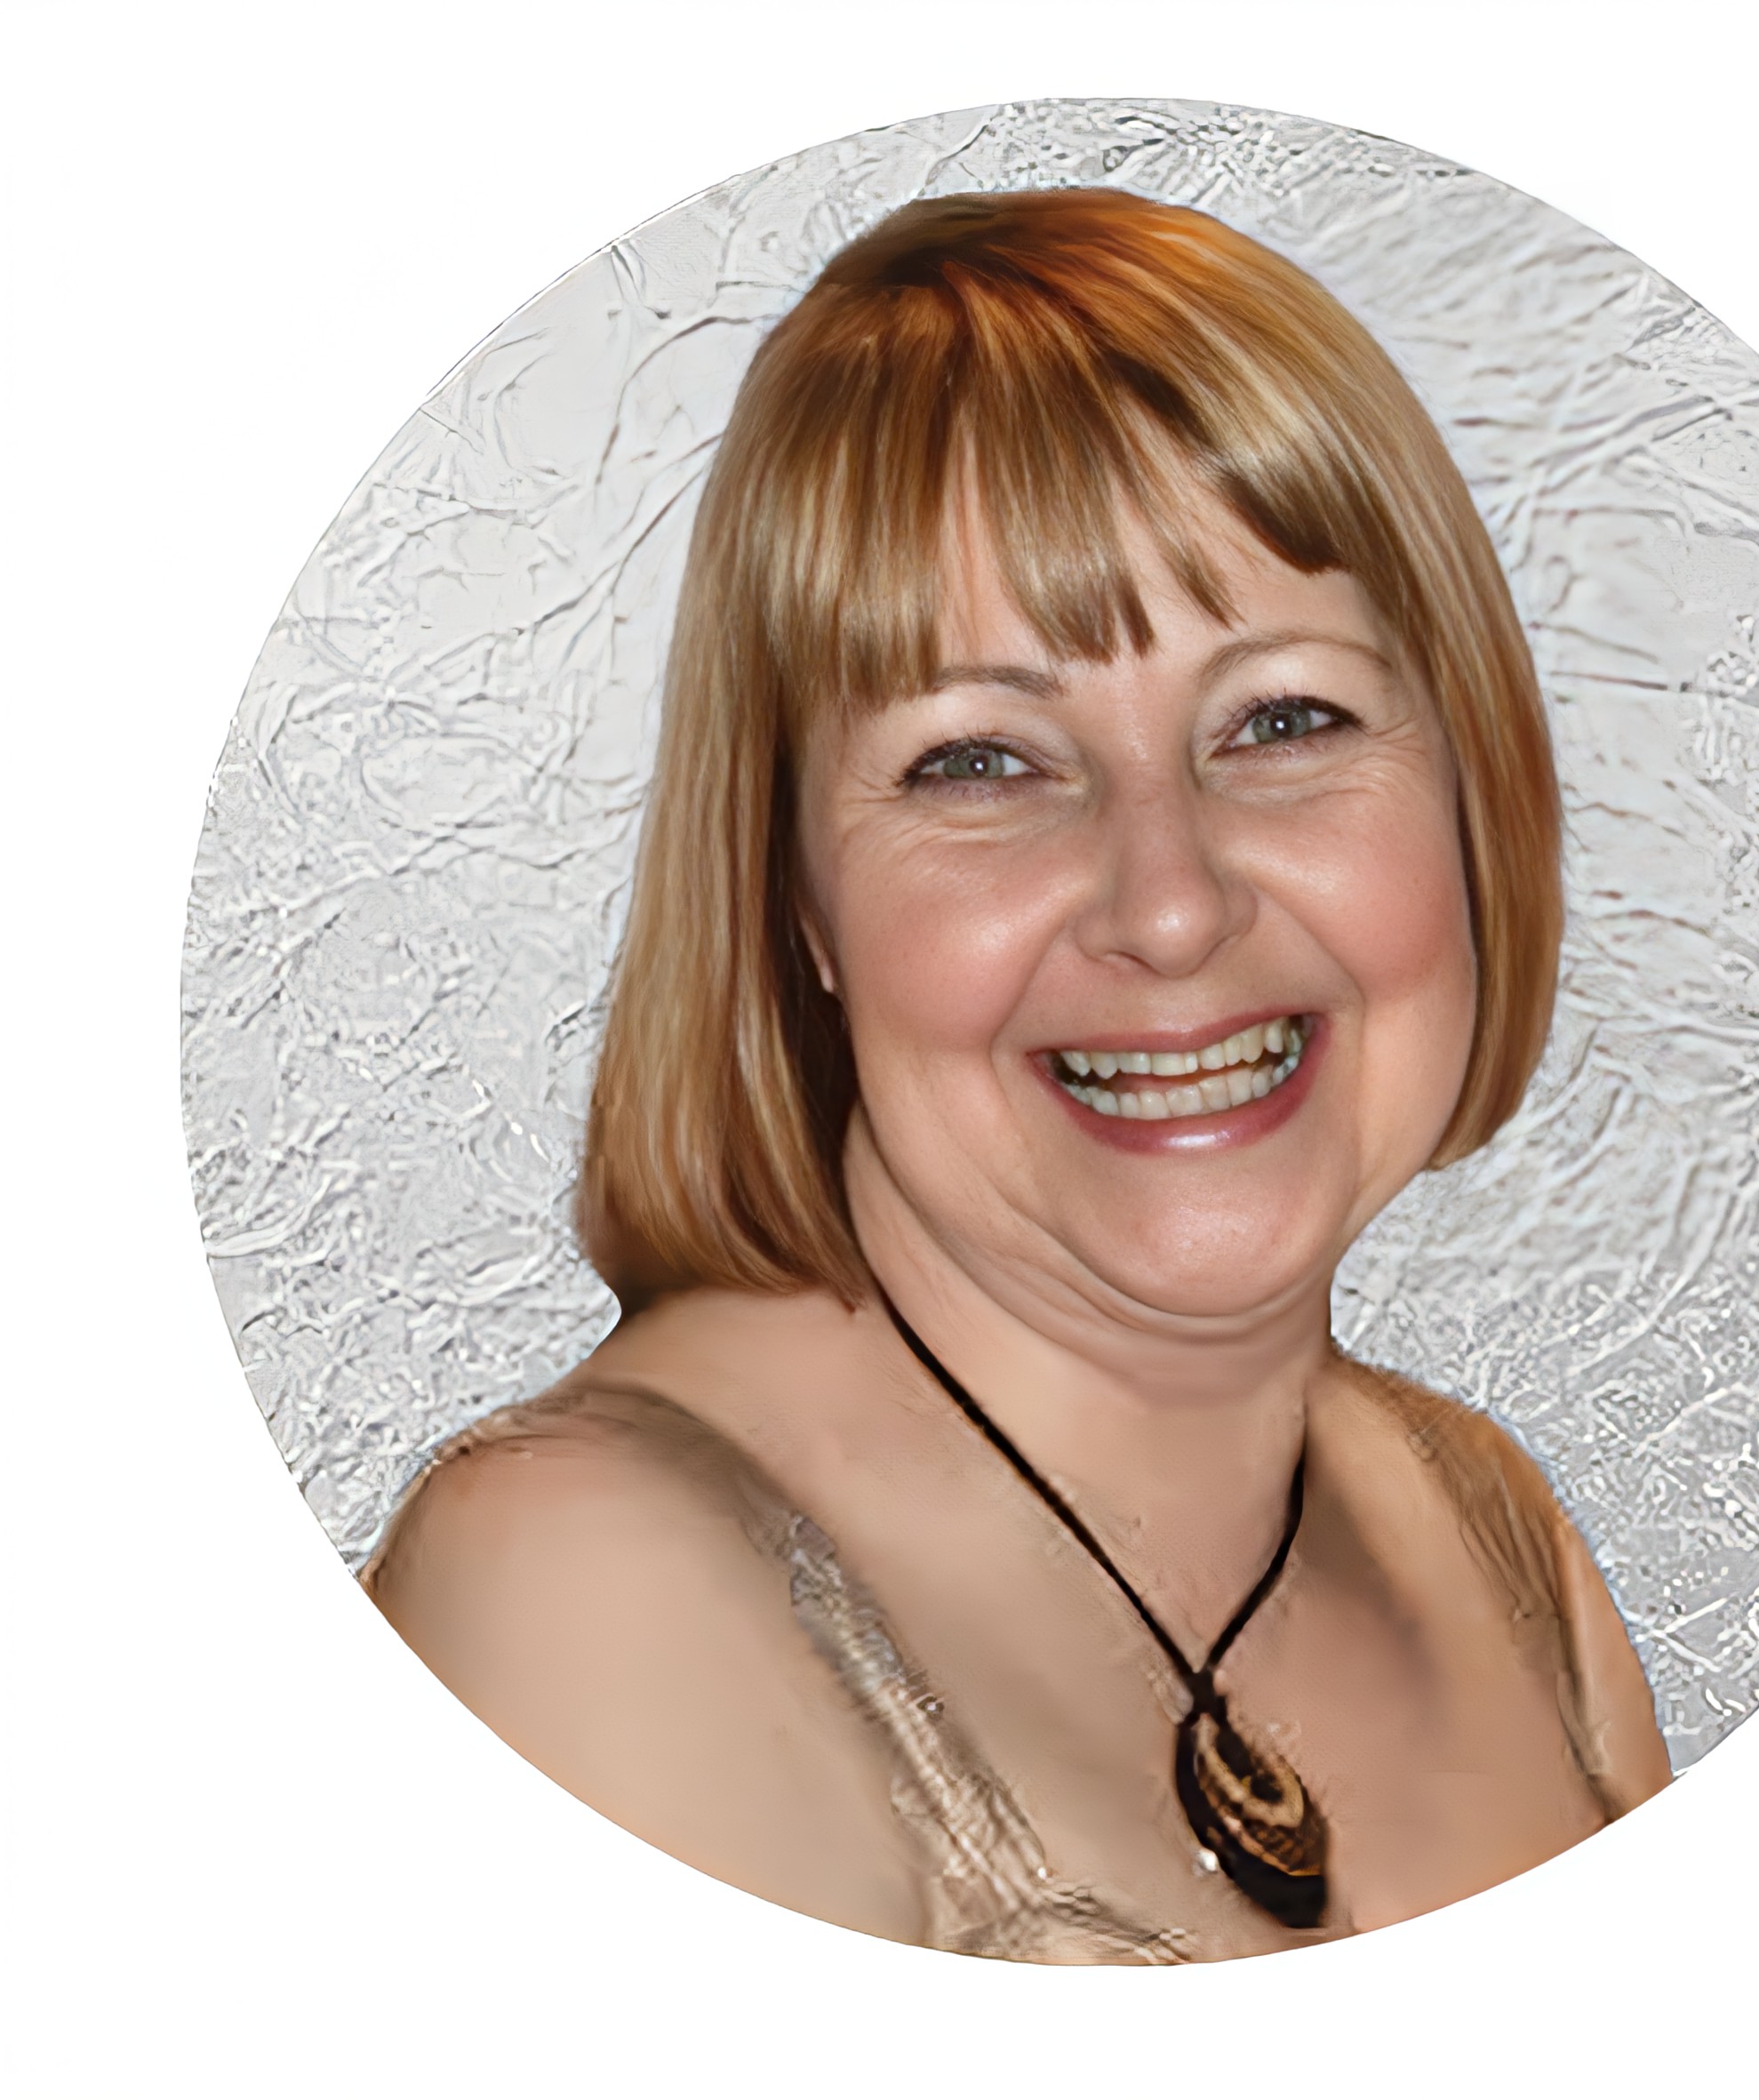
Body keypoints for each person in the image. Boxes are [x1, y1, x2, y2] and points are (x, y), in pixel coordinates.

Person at [364, 187, 1672, 1963]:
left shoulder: (1489, 1532)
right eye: (979, 760)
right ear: (792, 896)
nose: (1171, 903)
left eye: (1283, 718)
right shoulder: (584, 1601)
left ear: (1474, 789)